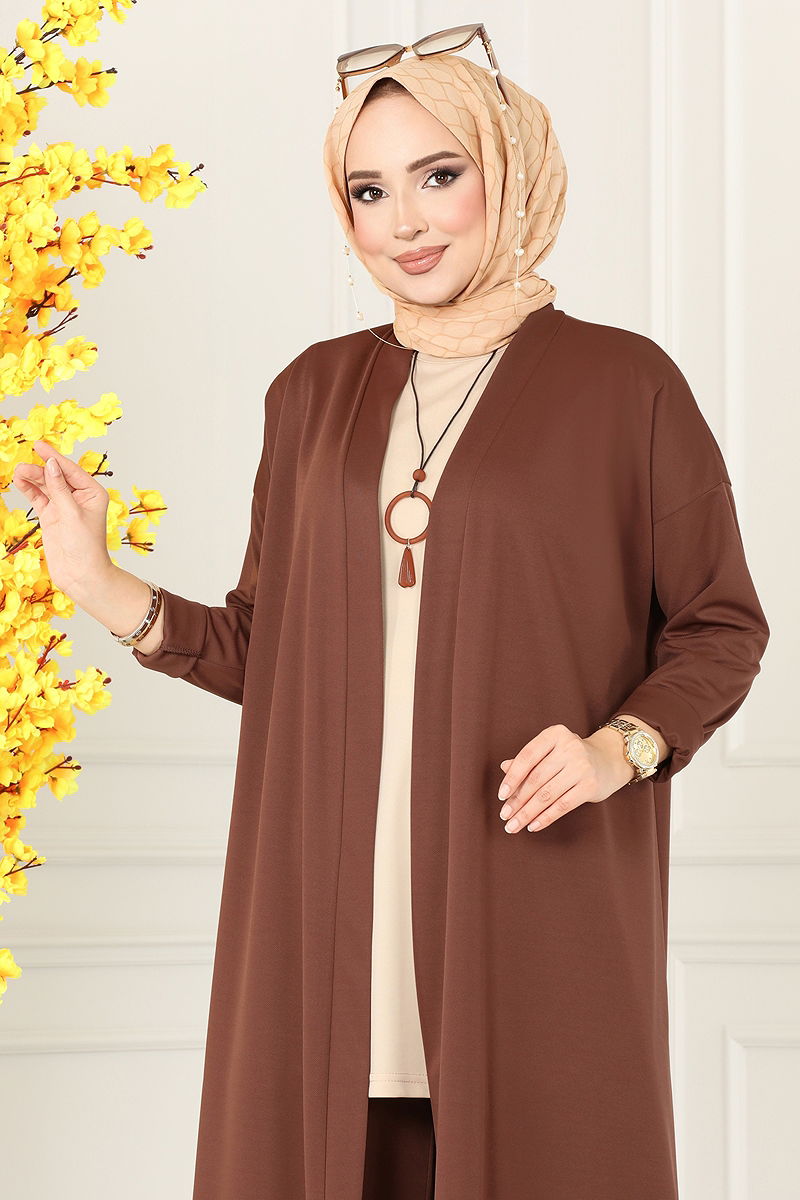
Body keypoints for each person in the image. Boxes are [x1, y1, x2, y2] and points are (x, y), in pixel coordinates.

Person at [14, 41, 770, 1200]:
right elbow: (270, 649)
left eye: (438, 175)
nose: (403, 222)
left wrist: (615, 748)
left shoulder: (626, 385)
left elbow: (718, 624)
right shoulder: (312, 393)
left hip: (530, 896)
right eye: (367, 191)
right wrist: (100, 581)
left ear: (509, 172)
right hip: (327, 914)